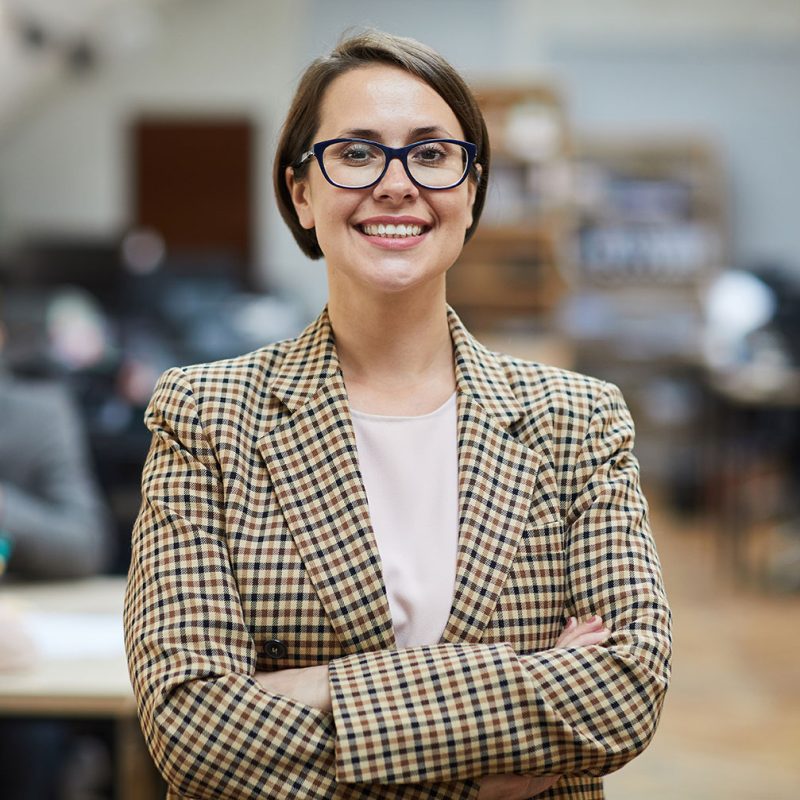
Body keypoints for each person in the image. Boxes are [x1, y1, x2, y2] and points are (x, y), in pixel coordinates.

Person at [124, 30, 671, 800]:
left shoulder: (577, 421)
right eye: (355, 152)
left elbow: (625, 692)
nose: (395, 184)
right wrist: (509, 717)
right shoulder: (207, 416)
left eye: (432, 153)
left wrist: (310, 688)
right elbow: (191, 727)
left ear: (471, 190)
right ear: (300, 192)